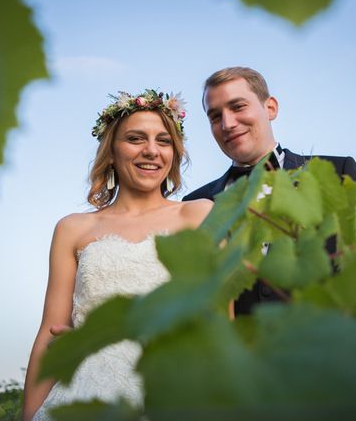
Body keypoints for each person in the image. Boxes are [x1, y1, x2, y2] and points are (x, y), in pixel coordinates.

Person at [22, 90, 213, 420]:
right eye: (135, 138)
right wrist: (28, 414)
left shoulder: (198, 216)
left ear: (174, 153)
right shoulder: (72, 229)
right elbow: (49, 333)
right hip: (84, 393)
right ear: (111, 150)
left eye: (163, 141)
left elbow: (219, 322)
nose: (151, 150)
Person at [183, 67, 356, 315]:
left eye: (238, 107)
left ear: (270, 108)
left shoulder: (337, 173)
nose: (228, 123)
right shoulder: (195, 204)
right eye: (215, 117)